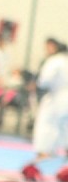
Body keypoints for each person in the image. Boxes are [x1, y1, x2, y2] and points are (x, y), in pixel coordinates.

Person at [26, 38, 68, 173]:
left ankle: (44, 153)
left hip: (56, 97)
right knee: (64, 127)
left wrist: (36, 85)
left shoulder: (54, 61)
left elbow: (44, 81)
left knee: (46, 124)